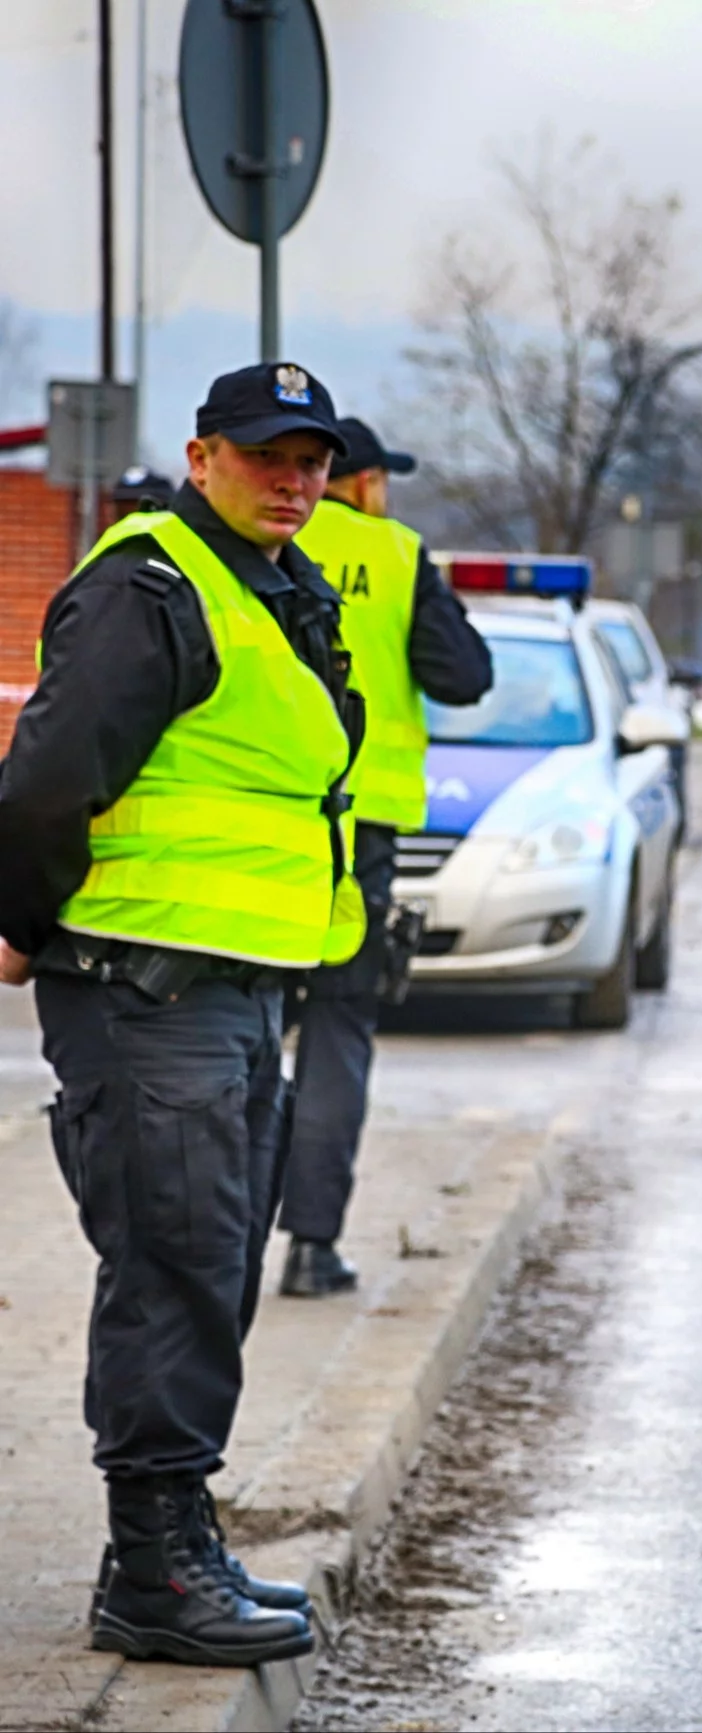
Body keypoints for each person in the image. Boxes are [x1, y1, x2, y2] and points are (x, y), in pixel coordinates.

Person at [0, 362, 370, 1667]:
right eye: (269, 455)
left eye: (314, 460)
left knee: (207, 1264)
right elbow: (48, 777)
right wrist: (20, 921)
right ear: (204, 454)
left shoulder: (278, 586)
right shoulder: (152, 582)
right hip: (143, 989)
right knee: (174, 1268)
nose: (296, 480)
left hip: (230, 991)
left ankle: (172, 1539)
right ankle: (153, 1571)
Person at [280, 416, 492, 1297]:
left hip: (256, 823)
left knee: (243, 1027)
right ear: (361, 481)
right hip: (358, 831)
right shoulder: (396, 554)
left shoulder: (246, 541)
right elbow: (463, 674)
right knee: (336, 1029)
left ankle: (223, 1233)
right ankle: (310, 1245)